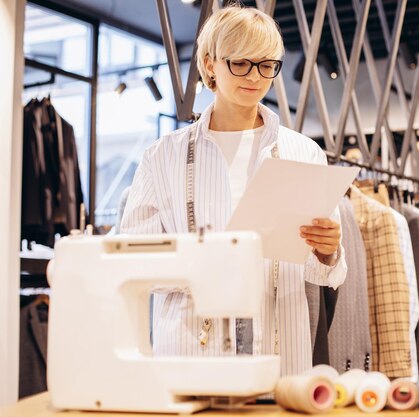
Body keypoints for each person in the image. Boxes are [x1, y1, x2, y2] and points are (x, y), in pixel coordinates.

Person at [120, 4, 347, 376]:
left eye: (266, 65)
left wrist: (327, 251)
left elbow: (327, 273)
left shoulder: (304, 152)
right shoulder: (163, 157)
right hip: (189, 350)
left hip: (280, 347)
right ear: (210, 64)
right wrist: (204, 264)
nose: (254, 77)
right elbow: (136, 261)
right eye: (240, 63)